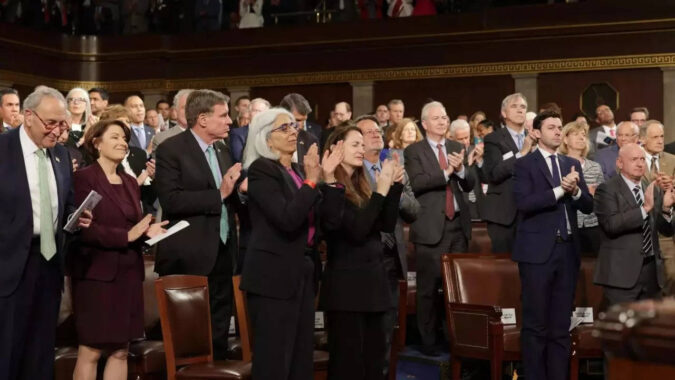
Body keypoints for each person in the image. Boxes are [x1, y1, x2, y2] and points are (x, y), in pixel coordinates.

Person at [240, 108, 343, 380]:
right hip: (273, 276)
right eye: (283, 128)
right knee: (275, 361)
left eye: (293, 127)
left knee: (300, 360)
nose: (292, 132)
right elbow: (287, 218)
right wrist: (311, 180)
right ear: (266, 139)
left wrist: (329, 179)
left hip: (303, 270)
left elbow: (329, 222)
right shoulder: (262, 170)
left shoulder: (298, 171)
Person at [0, 86, 91, 380]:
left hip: (50, 264)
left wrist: (76, 218)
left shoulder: (61, 155)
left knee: (41, 355)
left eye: (63, 124)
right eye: (51, 123)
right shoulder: (3, 150)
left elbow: (65, 204)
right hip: (10, 267)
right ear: (28, 116)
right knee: (8, 354)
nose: (58, 131)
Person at [70, 120, 167, 380]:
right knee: (91, 350)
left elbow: (132, 227)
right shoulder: (83, 178)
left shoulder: (129, 182)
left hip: (128, 274)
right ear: (96, 143)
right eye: (114, 137)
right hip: (96, 276)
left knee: (121, 351)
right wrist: (126, 236)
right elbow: (83, 228)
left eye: (124, 138)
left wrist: (147, 232)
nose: (123, 142)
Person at [154, 89, 242, 360]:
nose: (230, 121)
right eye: (224, 115)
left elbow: (231, 194)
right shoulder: (171, 149)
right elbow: (172, 201)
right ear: (202, 119)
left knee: (219, 333)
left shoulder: (222, 149)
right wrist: (219, 194)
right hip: (189, 255)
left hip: (224, 250)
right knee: (190, 340)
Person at [512, 111, 593, 380]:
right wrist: (560, 190)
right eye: (551, 127)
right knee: (535, 326)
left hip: (567, 251)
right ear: (536, 133)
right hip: (537, 254)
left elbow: (588, 205)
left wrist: (577, 191)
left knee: (560, 326)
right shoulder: (525, 164)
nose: (558, 132)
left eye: (560, 127)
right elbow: (524, 203)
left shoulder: (571, 163)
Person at [320, 125, 405, 380]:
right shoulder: (331, 188)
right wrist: (381, 190)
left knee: (374, 362)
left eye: (362, 144)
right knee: (349, 366)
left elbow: (385, 225)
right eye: (355, 144)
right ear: (337, 147)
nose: (362, 149)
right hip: (347, 289)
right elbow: (357, 230)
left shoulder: (360, 184)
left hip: (373, 283)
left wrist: (394, 186)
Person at [404, 101, 475, 355]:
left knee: (457, 289)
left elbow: (470, 184)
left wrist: (463, 169)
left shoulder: (457, 147)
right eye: (437, 118)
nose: (443, 121)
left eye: (445, 117)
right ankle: (429, 342)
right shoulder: (414, 151)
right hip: (431, 229)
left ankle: (456, 339)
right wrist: (447, 171)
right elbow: (419, 182)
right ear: (424, 124)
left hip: (458, 226)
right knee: (428, 290)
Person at [356, 115, 419, 376]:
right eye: (368, 132)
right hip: (363, 260)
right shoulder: (351, 172)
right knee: (364, 336)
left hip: (391, 260)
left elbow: (414, 211)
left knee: (386, 332)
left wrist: (397, 188)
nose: (375, 134)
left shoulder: (393, 165)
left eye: (376, 131)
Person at [593, 143, 674, 307]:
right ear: (619, 163)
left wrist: (666, 208)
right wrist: (645, 209)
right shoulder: (606, 189)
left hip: (652, 274)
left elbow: (665, 230)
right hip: (621, 276)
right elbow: (611, 224)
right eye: (634, 159)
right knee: (620, 330)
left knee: (650, 330)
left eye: (643, 159)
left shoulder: (651, 188)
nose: (639, 163)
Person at [483, 93, 536, 253]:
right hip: (503, 216)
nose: (520, 110)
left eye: (523, 107)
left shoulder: (535, 138)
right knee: (504, 269)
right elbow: (494, 173)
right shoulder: (493, 139)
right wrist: (522, 153)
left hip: (531, 213)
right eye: (514, 106)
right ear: (504, 113)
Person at [558, 121, 605, 256]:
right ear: (565, 139)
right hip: (569, 224)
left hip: (592, 224)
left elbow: (601, 196)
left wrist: (596, 193)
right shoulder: (558, 164)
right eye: (575, 134)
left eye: (583, 135)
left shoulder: (595, 166)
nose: (581, 138)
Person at [151, 89, 194, 155]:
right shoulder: (162, 139)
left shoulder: (212, 137)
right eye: (184, 107)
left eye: (193, 107)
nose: (189, 111)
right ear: (176, 110)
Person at [230, 97, 270, 163]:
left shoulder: (272, 132)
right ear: (249, 113)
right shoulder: (238, 133)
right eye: (255, 110)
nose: (259, 114)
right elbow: (238, 159)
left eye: (263, 111)